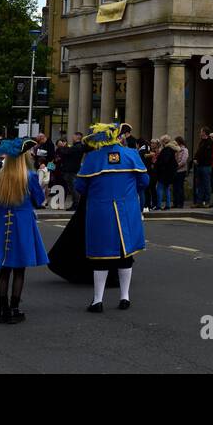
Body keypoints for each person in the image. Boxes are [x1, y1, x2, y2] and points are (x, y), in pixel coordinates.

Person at [74, 123, 149, 312]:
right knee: (126, 254)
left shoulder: (92, 158)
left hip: (101, 211)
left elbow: (80, 187)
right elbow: (145, 181)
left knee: (101, 256)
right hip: (127, 209)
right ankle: (125, 297)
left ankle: (97, 300)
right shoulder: (131, 154)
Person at [0, 139, 50, 324]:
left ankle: (2, 311)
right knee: (19, 269)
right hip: (22, 224)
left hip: (1, 223)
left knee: (4, 270)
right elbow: (39, 200)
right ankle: (14, 309)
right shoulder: (29, 177)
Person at [153, 135, 178, 210]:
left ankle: (159, 205)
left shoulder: (166, 149)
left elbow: (164, 161)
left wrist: (157, 163)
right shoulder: (171, 149)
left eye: (161, 141)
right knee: (167, 188)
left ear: (164, 142)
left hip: (164, 173)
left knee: (159, 188)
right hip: (169, 173)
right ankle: (167, 205)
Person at [193, 131, 213, 208]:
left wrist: (198, 160)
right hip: (200, 165)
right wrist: (195, 158)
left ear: (204, 133)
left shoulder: (209, 142)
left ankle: (208, 201)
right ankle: (199, 202)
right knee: (200, 184)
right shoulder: (202, 141)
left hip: (206, 166)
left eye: (201, 132)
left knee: (207, 184)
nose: (200, 133)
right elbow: (198, 152)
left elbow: (206, 154)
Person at [173, 136, 189, 209]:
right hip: (176, 170)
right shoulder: (176, 150)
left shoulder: (184, 150)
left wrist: (176, 166)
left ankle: (180, 203)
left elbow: (183, 161)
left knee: (180, 187)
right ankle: (175, 203)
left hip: (181, 170)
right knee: (175, 187)